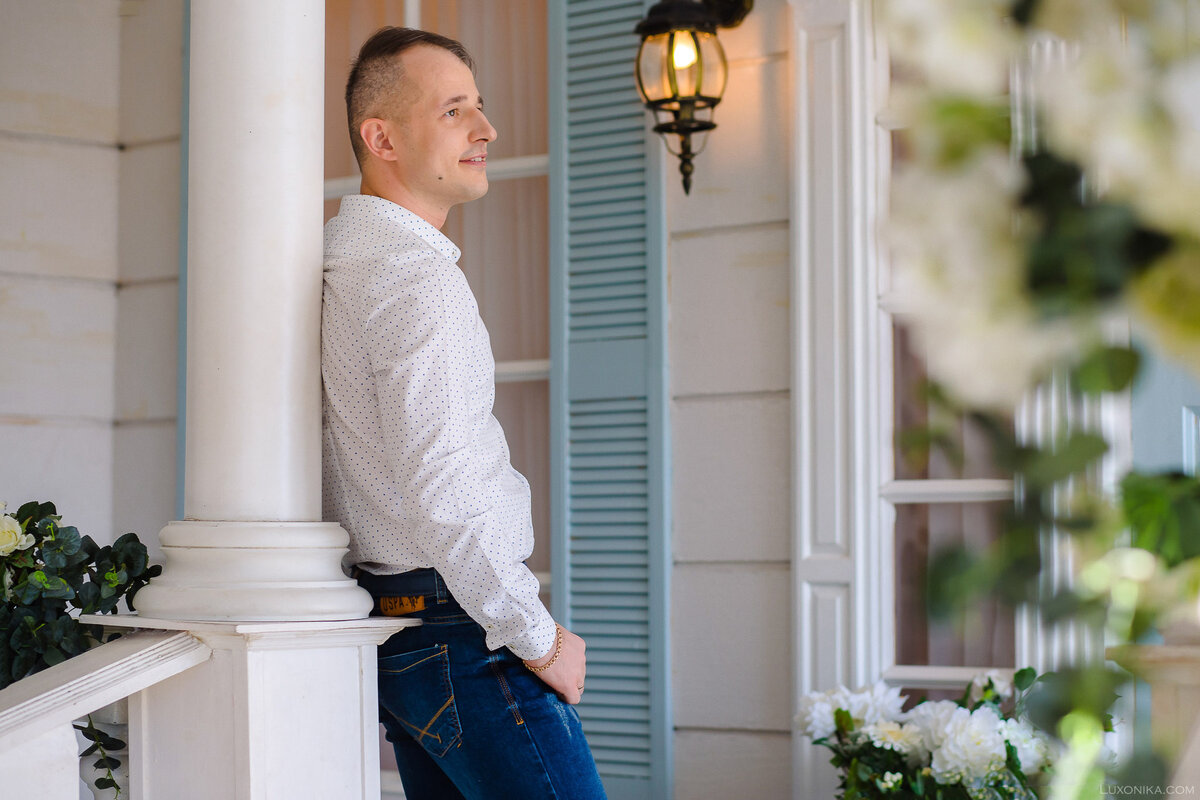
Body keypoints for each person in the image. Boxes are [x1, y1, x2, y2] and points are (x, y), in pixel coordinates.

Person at [321, 26, 607, 800]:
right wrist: (537, 638)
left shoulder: (342, 261)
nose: (487, 130)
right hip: (465, 634)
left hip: (400, 628)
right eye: (454, 111)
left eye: (478, 106)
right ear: (381, 137)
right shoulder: (417, 281)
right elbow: (444, 485)